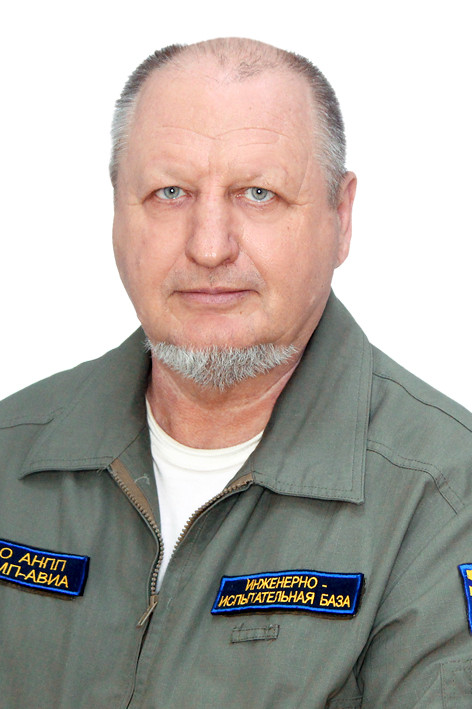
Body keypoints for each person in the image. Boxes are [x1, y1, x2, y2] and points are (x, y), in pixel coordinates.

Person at [1, 37, 472, 708]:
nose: (209, 245)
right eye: (170, 192)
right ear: (116, 211)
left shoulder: (447, 496)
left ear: (341, 217)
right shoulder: (9, 455)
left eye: (259, 193)